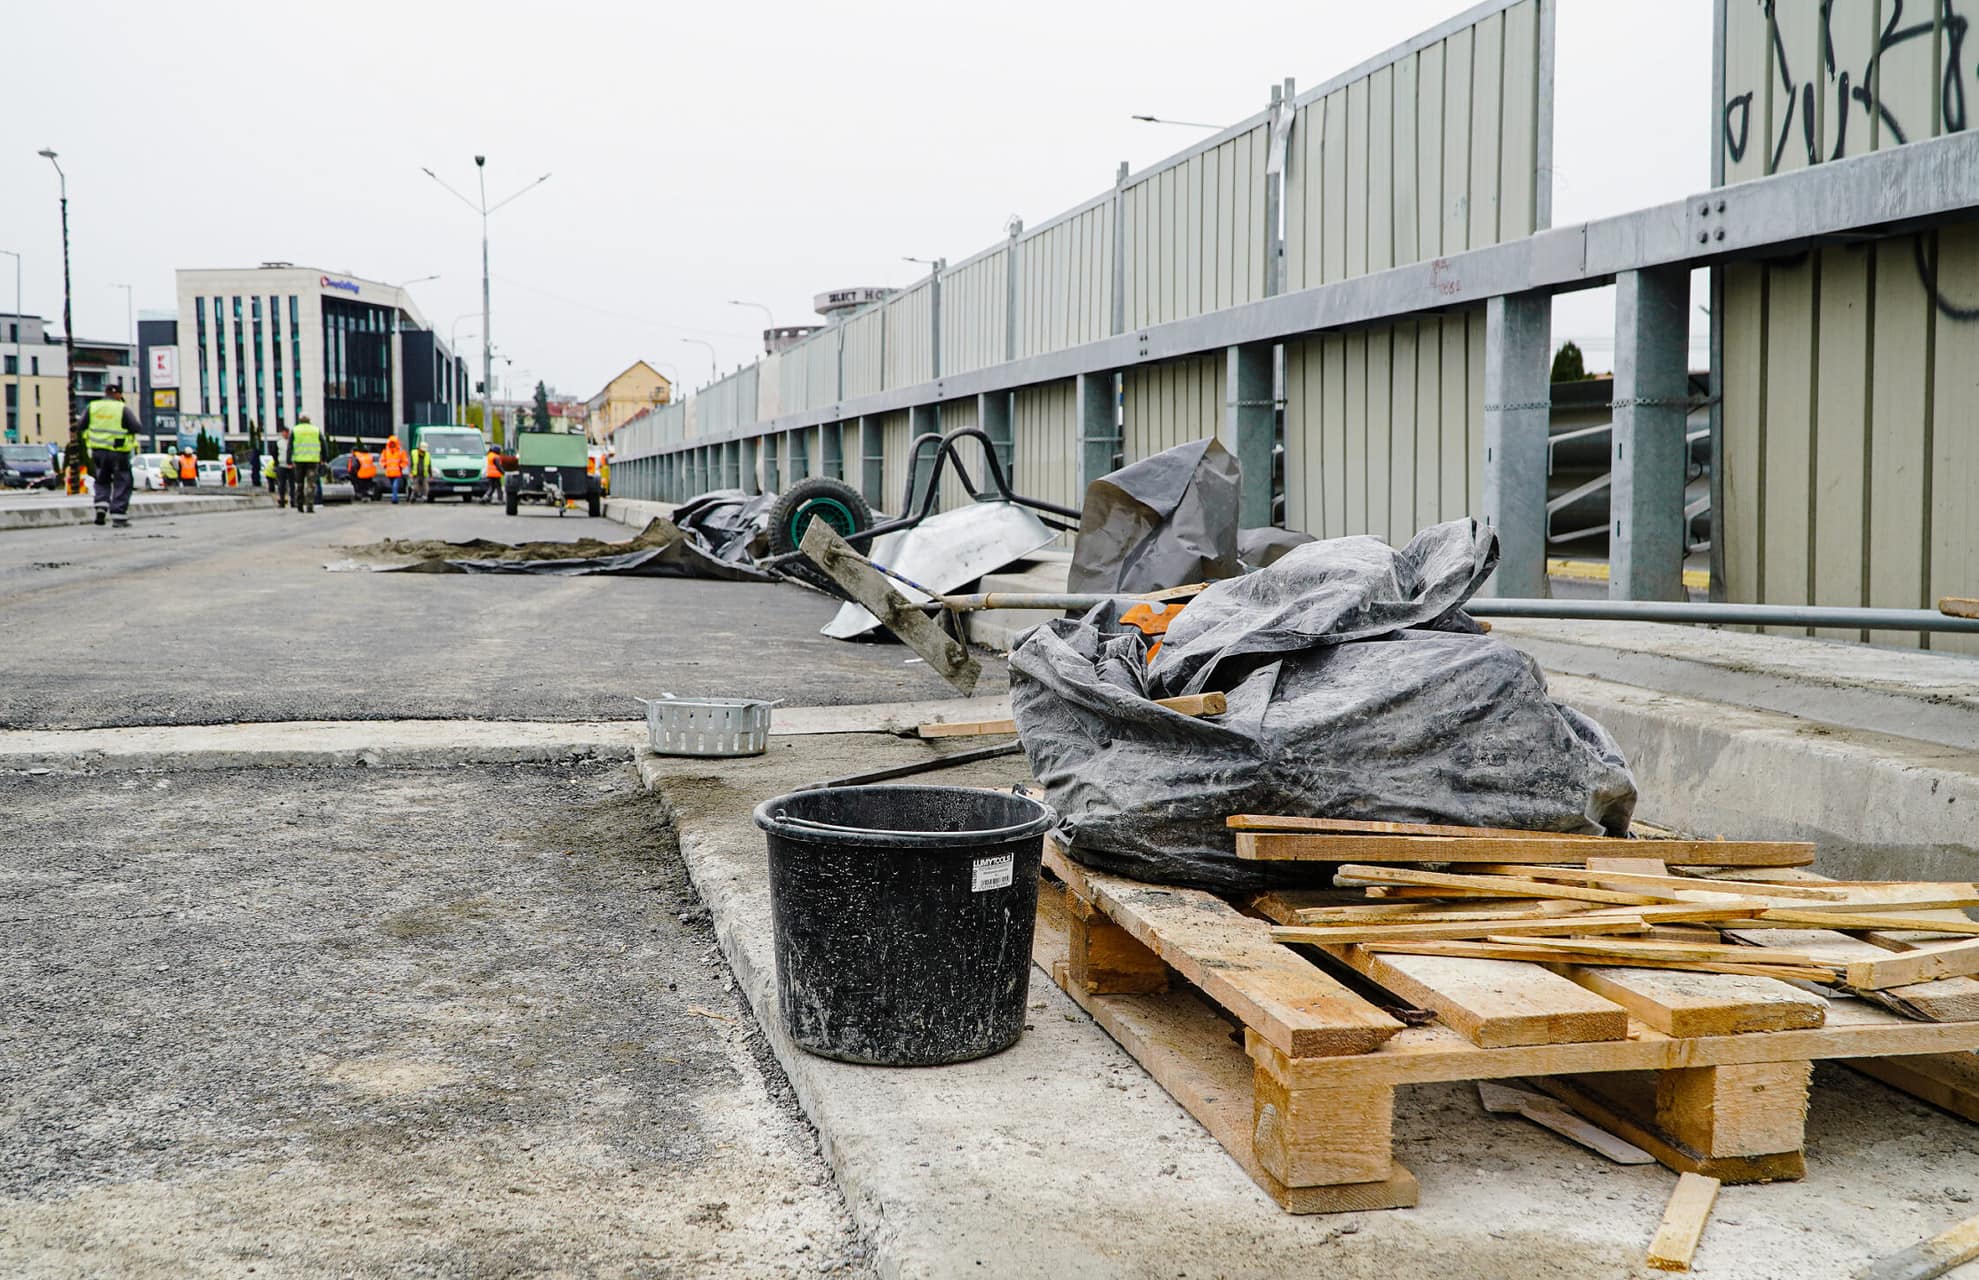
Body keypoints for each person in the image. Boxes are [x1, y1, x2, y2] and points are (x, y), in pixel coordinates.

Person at [83, 383, 142, 527]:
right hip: (118, 452)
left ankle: (101, 507)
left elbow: (80, 425)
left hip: (98, 451)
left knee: (101, 480)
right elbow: (136, 427)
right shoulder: (122, 408)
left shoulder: (92, 407)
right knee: (122, 481)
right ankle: (119, 516)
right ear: (118, 394)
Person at [290, 414, 324, 513]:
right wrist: (325, 457)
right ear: (309, 421)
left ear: (300, 421)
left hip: (299, 461)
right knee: (311, 484)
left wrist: (289, 459)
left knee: (299, 484)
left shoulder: (295, 430)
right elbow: (323, 443)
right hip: (313, 461)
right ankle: (310, 505)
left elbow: (290, 446)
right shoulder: (315, 430)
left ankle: (299, 504)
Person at [379, 434, 409, 504]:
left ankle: (394, 499)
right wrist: (385, 465)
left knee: (395, 486)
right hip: (389, 473)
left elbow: (405, 461)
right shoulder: (386, 451)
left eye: (393, 443)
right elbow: (382, 460)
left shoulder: (400, 452)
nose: (392, 444)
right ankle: (394, 497)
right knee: (393, 486)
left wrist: (401, 466)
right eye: (391, 443)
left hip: (397, 473)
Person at [274, 425, 295, 508]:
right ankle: (282, 501)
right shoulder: (279, 442)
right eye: (284, 432)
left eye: (286, 432)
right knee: (282, 484)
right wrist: (276, 463)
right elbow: (275, 453)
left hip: (291, 466)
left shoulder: (292, 442)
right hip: (282, 465)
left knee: (292, 484)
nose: (285, 434)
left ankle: (293, 501)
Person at [410, 439, 432, 503]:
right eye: (422, 450)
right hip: (415, 474)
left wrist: (430, 474)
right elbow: (411, 464)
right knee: (416, 488)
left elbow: (429, 465)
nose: (423, 451)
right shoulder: (414, 453)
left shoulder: (427, 455)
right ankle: (413, 497)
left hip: (424, 474)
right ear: (419, 448)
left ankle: (424, 497)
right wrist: (410, 472)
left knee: (426, 488)